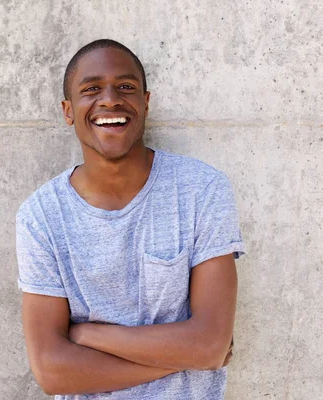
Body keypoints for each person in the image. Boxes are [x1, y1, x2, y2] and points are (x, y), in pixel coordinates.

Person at [15, 39, 245, 400]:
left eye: (126, 87)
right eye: (91, 89)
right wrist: (187, 355)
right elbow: (51, 371)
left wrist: (88, 334)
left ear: (145, 103)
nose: (109, 99)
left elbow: (210, 345)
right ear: (68, 110)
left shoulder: (201, 190)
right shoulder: (40, 216)